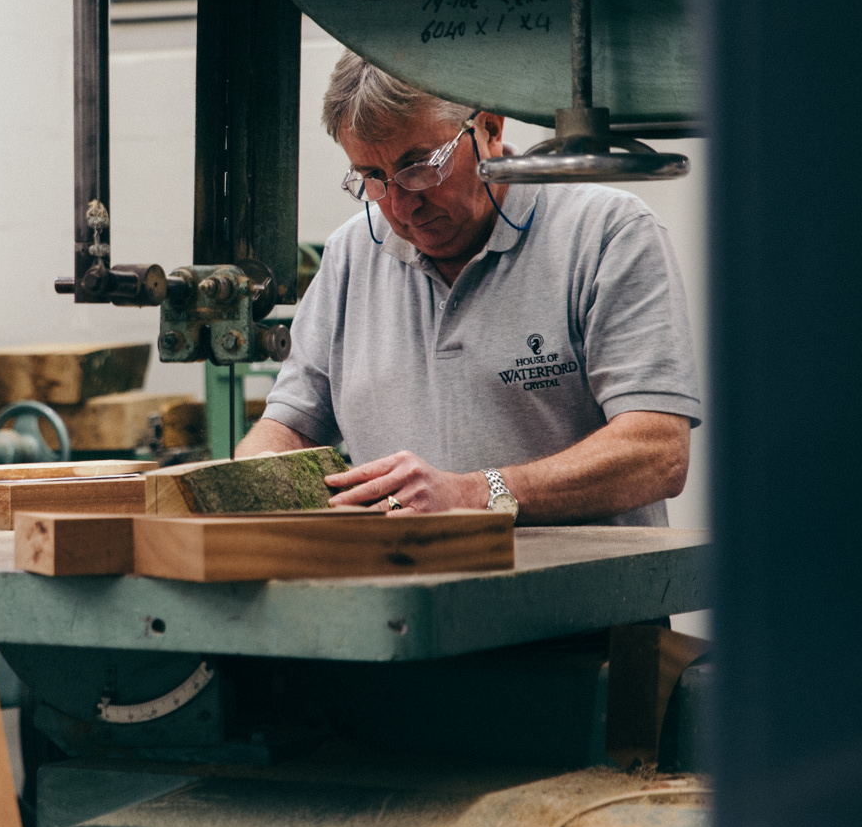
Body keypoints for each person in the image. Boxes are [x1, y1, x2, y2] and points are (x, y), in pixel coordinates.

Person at [237, 52, 700, 524]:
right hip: (404, 595)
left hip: (576, 594)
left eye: (419, 165)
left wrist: (476, 493)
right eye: (374, 178)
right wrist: (237, 487)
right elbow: (289, 430)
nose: (400, 206)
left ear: (490, 129)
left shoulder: (606, 233)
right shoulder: (350, 255)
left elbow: (657, 452)